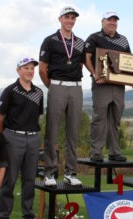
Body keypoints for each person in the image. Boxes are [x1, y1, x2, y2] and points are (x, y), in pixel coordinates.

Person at [0, 58, 44, 219]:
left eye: (32, 68)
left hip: (32, 139)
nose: (30, 71)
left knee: (30, 181)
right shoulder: (10, 91)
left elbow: (37, 116)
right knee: (9, 181)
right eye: (26, 68)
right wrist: (6, 138)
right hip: (12, 138)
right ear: (18, 70)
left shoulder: (39, 92)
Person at [39, 6, 84, 186]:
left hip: (76, 88)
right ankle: (49, 172)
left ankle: (70, 173)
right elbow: (42, 68)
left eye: (73, 18)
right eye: (67, 17)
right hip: (56, 85)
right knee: (53, 130)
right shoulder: (49, 40)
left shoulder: (80, 42)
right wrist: (53, 86)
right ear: (60, 19)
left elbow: (79, 66)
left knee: (73, 131)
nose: (70, 20)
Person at [85, 11, 130, 162]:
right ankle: (96, 153)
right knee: (99, 118)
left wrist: (129, 76)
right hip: (101, 85)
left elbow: (128, 61)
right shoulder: (94, 37)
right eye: (109, 20)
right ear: (102, 21)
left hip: (118, 86)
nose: (112, 23)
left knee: (115, 119)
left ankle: (114, 152)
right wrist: (94, 74)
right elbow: (87, 58)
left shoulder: (123, 40)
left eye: (115, 20)